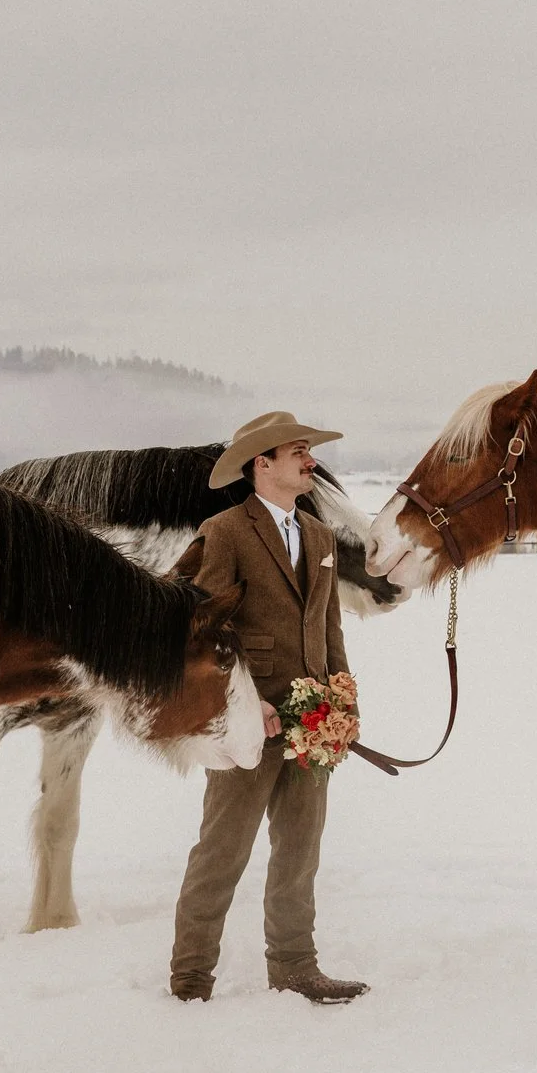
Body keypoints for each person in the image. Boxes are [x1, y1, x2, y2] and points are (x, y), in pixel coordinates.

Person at [169, 411, 369, 1004]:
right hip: (246, 726)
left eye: (309, 451)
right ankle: (190, 977)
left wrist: (343, 699)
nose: (311, 461)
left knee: (300, 850)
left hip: (314, 725)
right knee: (221, 852)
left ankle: (294, 966)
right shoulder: (224, 531)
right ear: (263, 463)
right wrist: (247, 705)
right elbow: (203, 629)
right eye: (299, 451)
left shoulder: (321, 537)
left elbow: (329, 626)